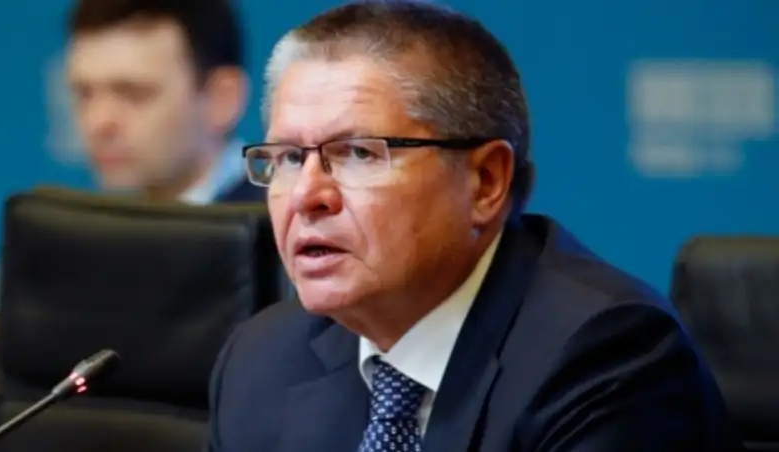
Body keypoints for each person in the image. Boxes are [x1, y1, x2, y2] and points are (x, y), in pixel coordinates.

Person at [207, 1, 743, 451]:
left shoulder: (605, 357)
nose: (307, 196)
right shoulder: (261, 360)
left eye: (358, 154)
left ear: (485, 182)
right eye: (288, 157)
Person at [65, 0, 263, 203]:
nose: (99, 122)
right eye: (85, 94)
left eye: (134, 94)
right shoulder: (88, 221)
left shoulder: (275, 221)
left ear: (222, 99)